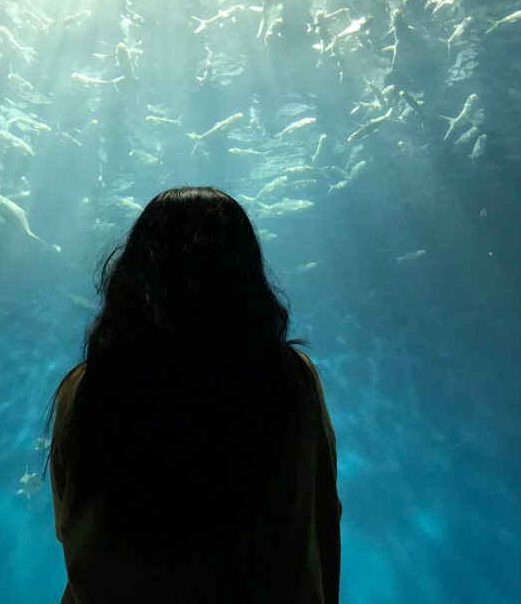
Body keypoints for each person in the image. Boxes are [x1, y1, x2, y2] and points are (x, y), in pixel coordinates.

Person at [41, 186, 341, 604]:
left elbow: (68, 524)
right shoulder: (291, 381)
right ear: (246, 274)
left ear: (133, 273)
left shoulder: (88, 388)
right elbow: (323, 513)